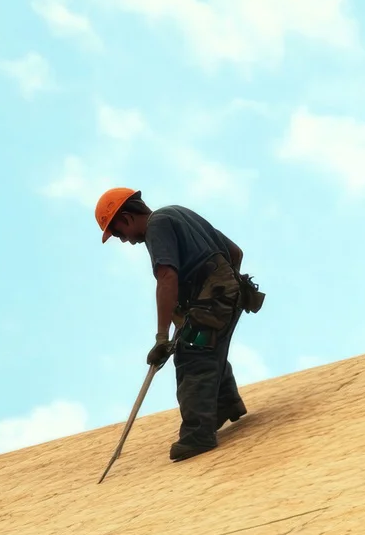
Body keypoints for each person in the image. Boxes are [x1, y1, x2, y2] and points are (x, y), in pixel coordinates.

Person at [94, 188, 261, 461]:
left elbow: (166, 278)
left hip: (215, 299)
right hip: (228, 295)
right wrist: (223, 286)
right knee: (204, 347)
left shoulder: (156, 227)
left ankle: (198, 435)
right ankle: (224, 403)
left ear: (125, 217)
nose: (123, 241)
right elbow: (235, 252)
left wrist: (162, 337)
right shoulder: (177, 212)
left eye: (119, 233)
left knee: (192, 358)